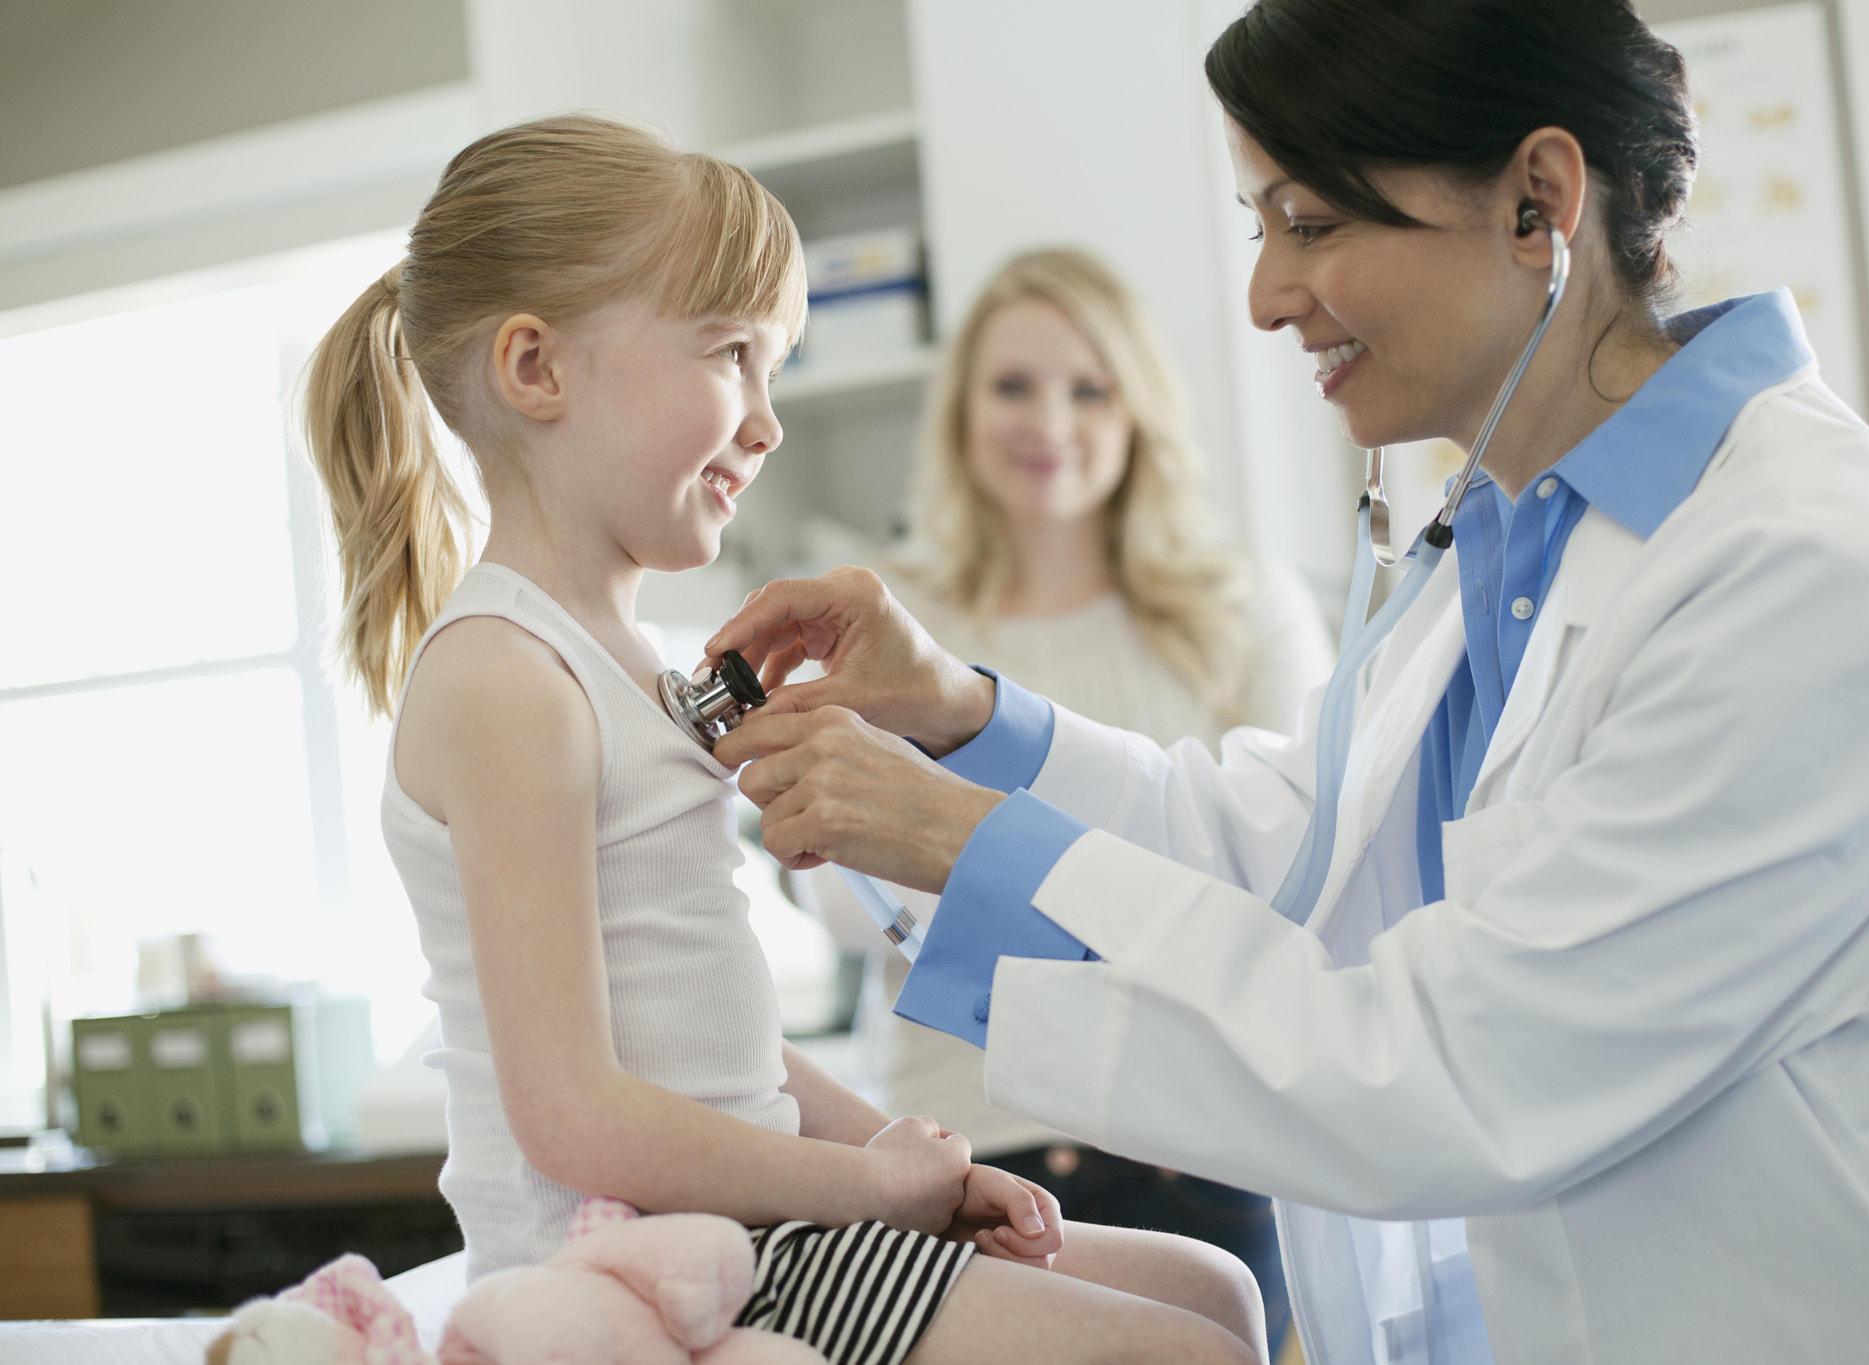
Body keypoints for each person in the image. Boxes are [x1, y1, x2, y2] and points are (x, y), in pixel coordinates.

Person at [703, 2, 1869, 1361]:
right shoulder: (1519, 529)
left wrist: (962, 839)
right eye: (1261, 228)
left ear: (1538, 202)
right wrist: (968, 720)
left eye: (1313, 223)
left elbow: (1461, 1067)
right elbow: (1281, 851)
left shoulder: (1795, 564)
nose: (1267, 296)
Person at [301, 113, 1267, 1365]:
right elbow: (571, 1117)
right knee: (1181, 1351)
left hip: (751, 1231)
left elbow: (724, 1057)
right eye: (729, 354)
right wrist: (869, 1192)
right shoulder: (507, 679)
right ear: (536, 370)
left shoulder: (639, 674)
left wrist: (892, 1159)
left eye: (775, 367)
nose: (765, 421)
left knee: (1218, 1294)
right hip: (637, 1260)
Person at [799, 247, 1331, 1352]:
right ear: (959, 411)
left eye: (1087, 388)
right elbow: (847, 900)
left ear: (1138, 409)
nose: (1049, 421)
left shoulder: (1240, 607)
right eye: (1011, 386)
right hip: (953, 1148)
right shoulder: (890, 623)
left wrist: (953, 854)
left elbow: (1292, 871)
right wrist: (1140, 900)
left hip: (1191, 1143)